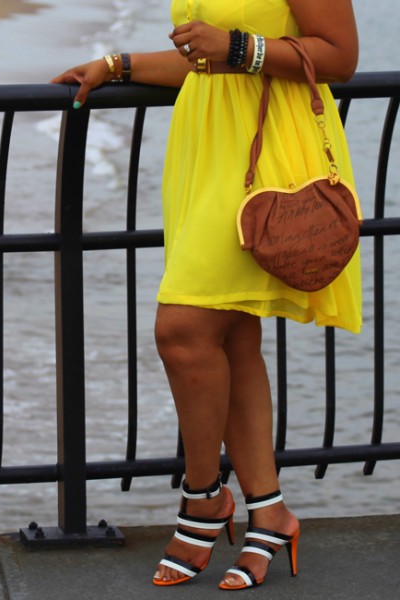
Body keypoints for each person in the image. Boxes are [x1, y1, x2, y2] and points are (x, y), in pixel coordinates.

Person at [52, 0, 361, 591]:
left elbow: (341, 57)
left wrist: (239, 47)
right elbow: (205, 64)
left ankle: (202, 499)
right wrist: (115, 65)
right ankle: (269, 512)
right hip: (208, 153)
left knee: (182, 331)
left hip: (270, 154)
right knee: (232, 336)